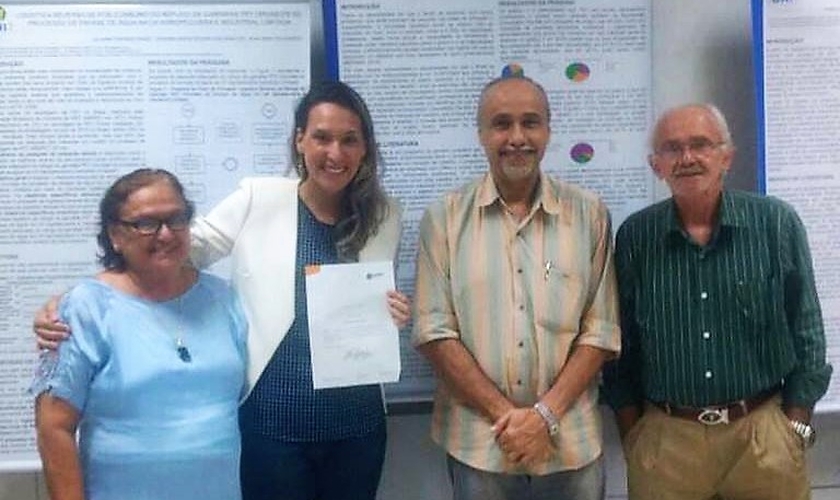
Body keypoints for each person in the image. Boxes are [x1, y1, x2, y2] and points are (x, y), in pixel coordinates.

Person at [35, 81, 411, 500]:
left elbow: (371, 304)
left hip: (357, 423)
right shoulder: (260, 198)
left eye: (349, 140)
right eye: (321, 137)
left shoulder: (386, 216)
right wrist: (75, 301)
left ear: (365, 149)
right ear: (300, 140)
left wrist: (392, 313)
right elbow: (170, 249)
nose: (334, 153)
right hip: (272, 426)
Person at [602, 103, 833, 500]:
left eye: (701, 145)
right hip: (667, 439)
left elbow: (807, 329)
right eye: (672, 149)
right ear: (655, 164)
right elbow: (621, 346)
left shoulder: (775, 223)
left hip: (762, 433)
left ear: (726, 156)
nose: (687, 158)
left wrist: (795, 427)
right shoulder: (635, 237)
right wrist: (634, 434)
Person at [412, 74, 621, 500]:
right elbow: (433, 331)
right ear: (481, 134)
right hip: (481, 445)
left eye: (531, 122)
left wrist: (544, 417)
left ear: (548, 130)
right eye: (501, 124)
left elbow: (601, 330)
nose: (517, 137)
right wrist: (511, 420)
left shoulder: (589, 214)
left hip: (571, 445)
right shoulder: (444, 218)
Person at [32, 168, 247, 500]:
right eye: (146, 224)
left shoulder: (223, 298)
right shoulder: (86, 309)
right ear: (116, 235)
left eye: (176, 219)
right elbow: (54, 427)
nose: (165, 234)